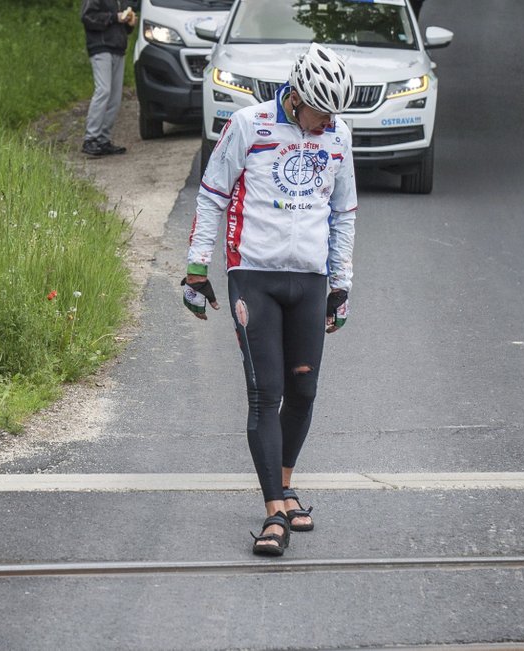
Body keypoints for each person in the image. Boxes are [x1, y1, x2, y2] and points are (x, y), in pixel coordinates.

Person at [182, 44, 357, 557]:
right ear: (296, 96)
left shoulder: (338, 136)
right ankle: (274, 511)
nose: (325, 122)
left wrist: (341, 283)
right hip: (253, 275)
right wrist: (196, 270)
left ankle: (284, 483)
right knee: (267, 392)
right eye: (319, 112)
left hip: (308, 279)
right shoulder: (248, 124)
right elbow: (212, 193)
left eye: (333, 114)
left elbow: (343, 211)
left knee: (304, 391)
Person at [80, 0, 136, 156]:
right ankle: (90, 138)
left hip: (118, 48)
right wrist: (114, 17)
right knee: (103, 90)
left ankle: (103, 139)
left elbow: (123, 27)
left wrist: (129, 23)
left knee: (115, 97)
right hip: (100, 47)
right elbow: (87, 17)